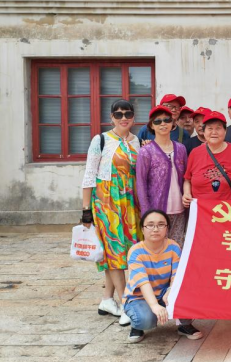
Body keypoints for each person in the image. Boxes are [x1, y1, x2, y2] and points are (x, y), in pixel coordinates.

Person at [81, 99, 141, 327]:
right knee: (115, 251)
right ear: (111, 117)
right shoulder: (101, 140)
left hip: (130, 203)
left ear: (133, 117)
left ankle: (107, 299)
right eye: (119, 114)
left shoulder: (137, 141)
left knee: (121, 252)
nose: (123, 118)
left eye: (128, 114)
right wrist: (86, 210)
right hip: (107, 202)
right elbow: (89, 175)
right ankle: (126, 303)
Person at [122, 210, 203, 343]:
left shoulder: (173, 247)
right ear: (142, 229)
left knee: (189, 293)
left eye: (161, 225)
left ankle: (184, 325)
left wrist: (171, 291)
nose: (155, 229)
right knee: (145, 319)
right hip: (140, 296)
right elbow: (143, 282)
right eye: (150, 225)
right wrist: (154, 305)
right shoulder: (136, 251)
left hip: (164, 293)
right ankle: (137, 325)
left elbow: (177, 275)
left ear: (167, 228)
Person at [135, 105, 188, 247]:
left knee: (177, 247)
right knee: (157, 248)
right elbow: (141, 184)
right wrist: (146, 213)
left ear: (173, 123)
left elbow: (187, 177)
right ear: (152, 125)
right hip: (156, 210)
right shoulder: (146, 152)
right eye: (158, 121)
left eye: (167, 120)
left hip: (179, 209)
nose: (163, 124)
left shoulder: (181, 149)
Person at [182, 111, 231, 205]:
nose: (214, 132)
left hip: (230, 209)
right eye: (210, 128)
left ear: (225, 131)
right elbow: (187, 180)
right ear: (204, 132)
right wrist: (187, 194)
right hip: (202, 210)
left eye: (218, 128)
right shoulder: (195, 153)